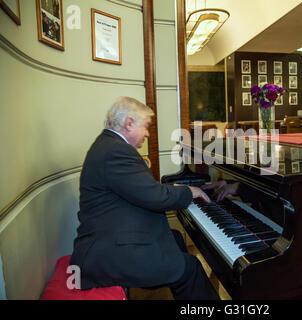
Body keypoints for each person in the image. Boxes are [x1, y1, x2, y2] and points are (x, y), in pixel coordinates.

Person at [70, 96, 219, 300]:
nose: (148, 134)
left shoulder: (109, 145)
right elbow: (154, 197)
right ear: (129, 123)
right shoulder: (116, 151)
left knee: (174, 238)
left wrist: (169, 188)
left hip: (110, 236)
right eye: (147, 127)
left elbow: (138, 189)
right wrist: (189, 191)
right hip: (106, 253)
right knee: (191, 267)